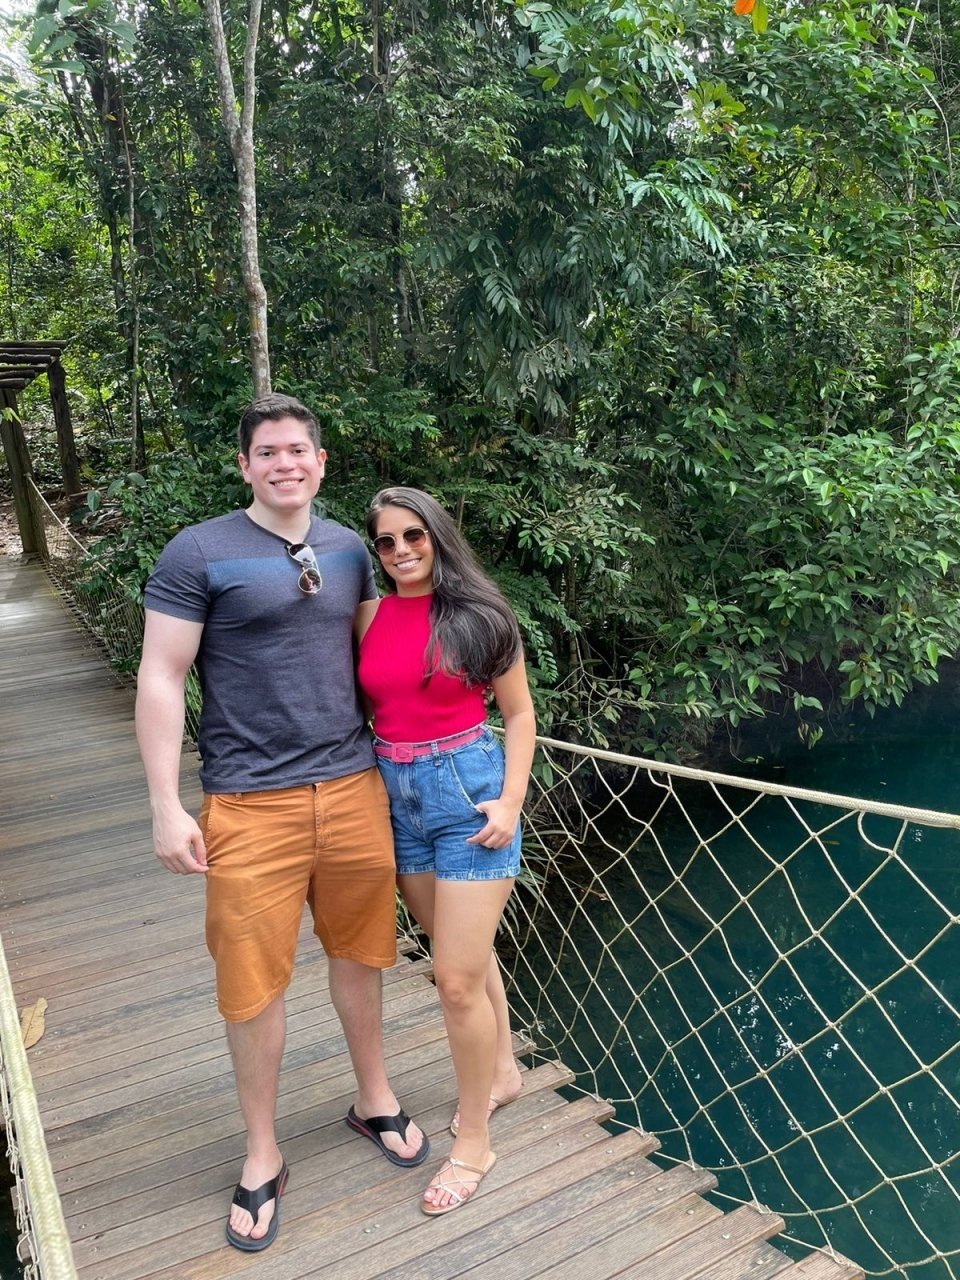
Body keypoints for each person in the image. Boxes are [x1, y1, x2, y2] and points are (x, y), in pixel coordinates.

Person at [134, 395, 428, 1253]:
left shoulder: (349, 549)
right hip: (248, 802)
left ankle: (373, 1097)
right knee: (252, 982)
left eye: (298, 449)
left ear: (321, 461)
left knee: (362, 953)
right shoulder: (199, 551)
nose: (285, 463)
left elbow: (380, 658)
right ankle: (262, 1148)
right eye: (267, 452)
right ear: (245, 465)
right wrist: (164, 804)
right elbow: (161, 675)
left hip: (354, 787)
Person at [356, 486, 536, 1216]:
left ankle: (473, 1144)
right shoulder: (368, 615)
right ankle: (504, 1071)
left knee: (455, 980)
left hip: (466, 789)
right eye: (386, 541)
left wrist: (512, 800)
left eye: (414, 536)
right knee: (462, 954)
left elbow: (519, 713)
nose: (401, 551)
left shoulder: (480, 615)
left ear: (436, 536)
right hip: (393, 792)